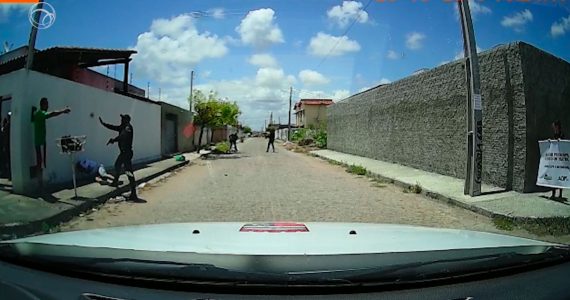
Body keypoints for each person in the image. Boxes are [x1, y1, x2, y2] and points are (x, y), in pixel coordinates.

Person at [99, 114, 140, 202]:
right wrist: (103, 124)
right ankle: (116, 182)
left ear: (127, 120)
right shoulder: (122, 127)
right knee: (118, 165)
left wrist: (114, 140)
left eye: (122, 119)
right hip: (124, 153)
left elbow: (123, 136)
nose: (121, 120)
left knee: (128, 172)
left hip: (127, 153)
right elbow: (113, 127)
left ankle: (133, 194)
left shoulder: (128, 128)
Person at [31, 98, 71, 188]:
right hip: (40, 142)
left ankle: (40, 183)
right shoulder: (41, 113)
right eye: (47, 104)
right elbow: (52, 114)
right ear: (43, 105)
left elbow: (34, 120)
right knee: (40, 163)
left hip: (40, 141)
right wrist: (63, 110)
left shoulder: (37, 114)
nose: (48, 106)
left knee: (40, 162)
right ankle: (40, 185)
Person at [550, 120, 565, 199]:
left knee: (560, 176)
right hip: (554, 159)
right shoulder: (554, 134)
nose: (553, 128)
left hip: (560, 159)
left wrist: (560, 141)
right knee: (553, 176)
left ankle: (560, 194)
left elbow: (564, 144)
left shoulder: (561, 134)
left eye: (554, 126)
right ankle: (553, 194)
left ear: (557, 126)